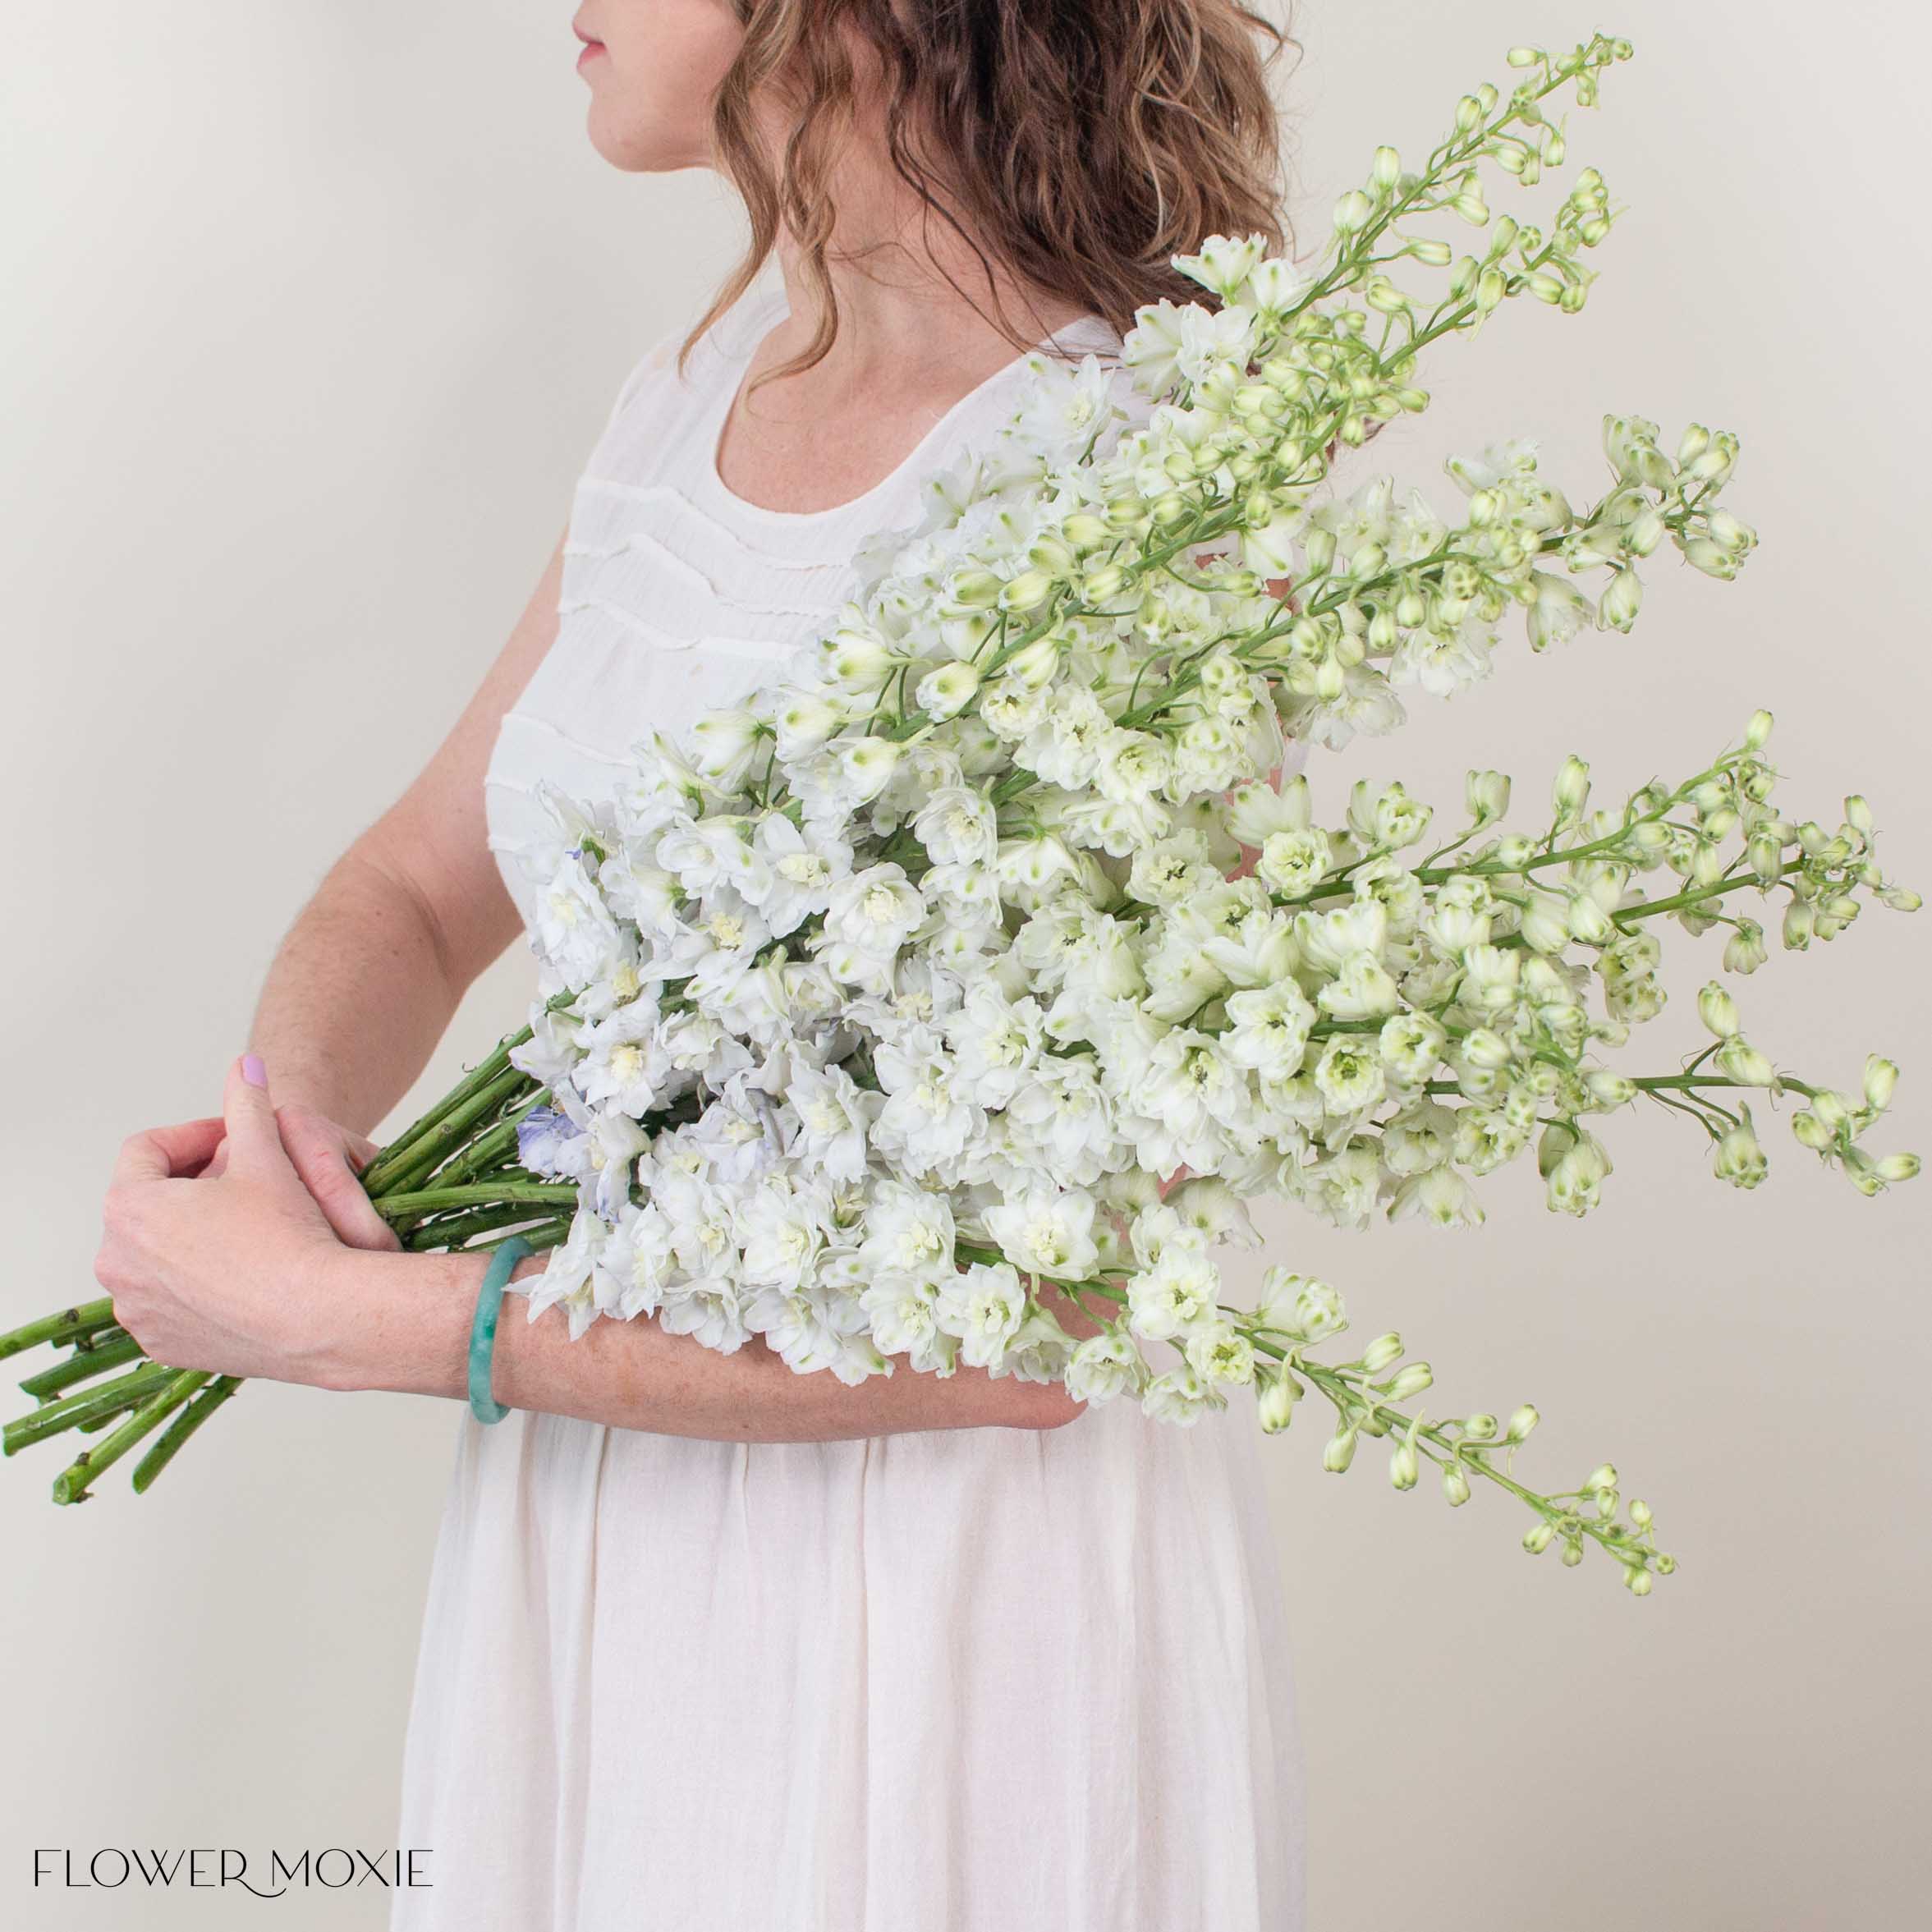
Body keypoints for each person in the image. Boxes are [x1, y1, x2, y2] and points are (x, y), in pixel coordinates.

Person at [93, 4, 1306, 1925]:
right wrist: (289, 1136)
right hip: (603, 1508)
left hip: (938, 1598)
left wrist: (382, 1323)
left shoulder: (1135, 484)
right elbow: (420, 884)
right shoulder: (704, 385)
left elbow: (1051, 1315)